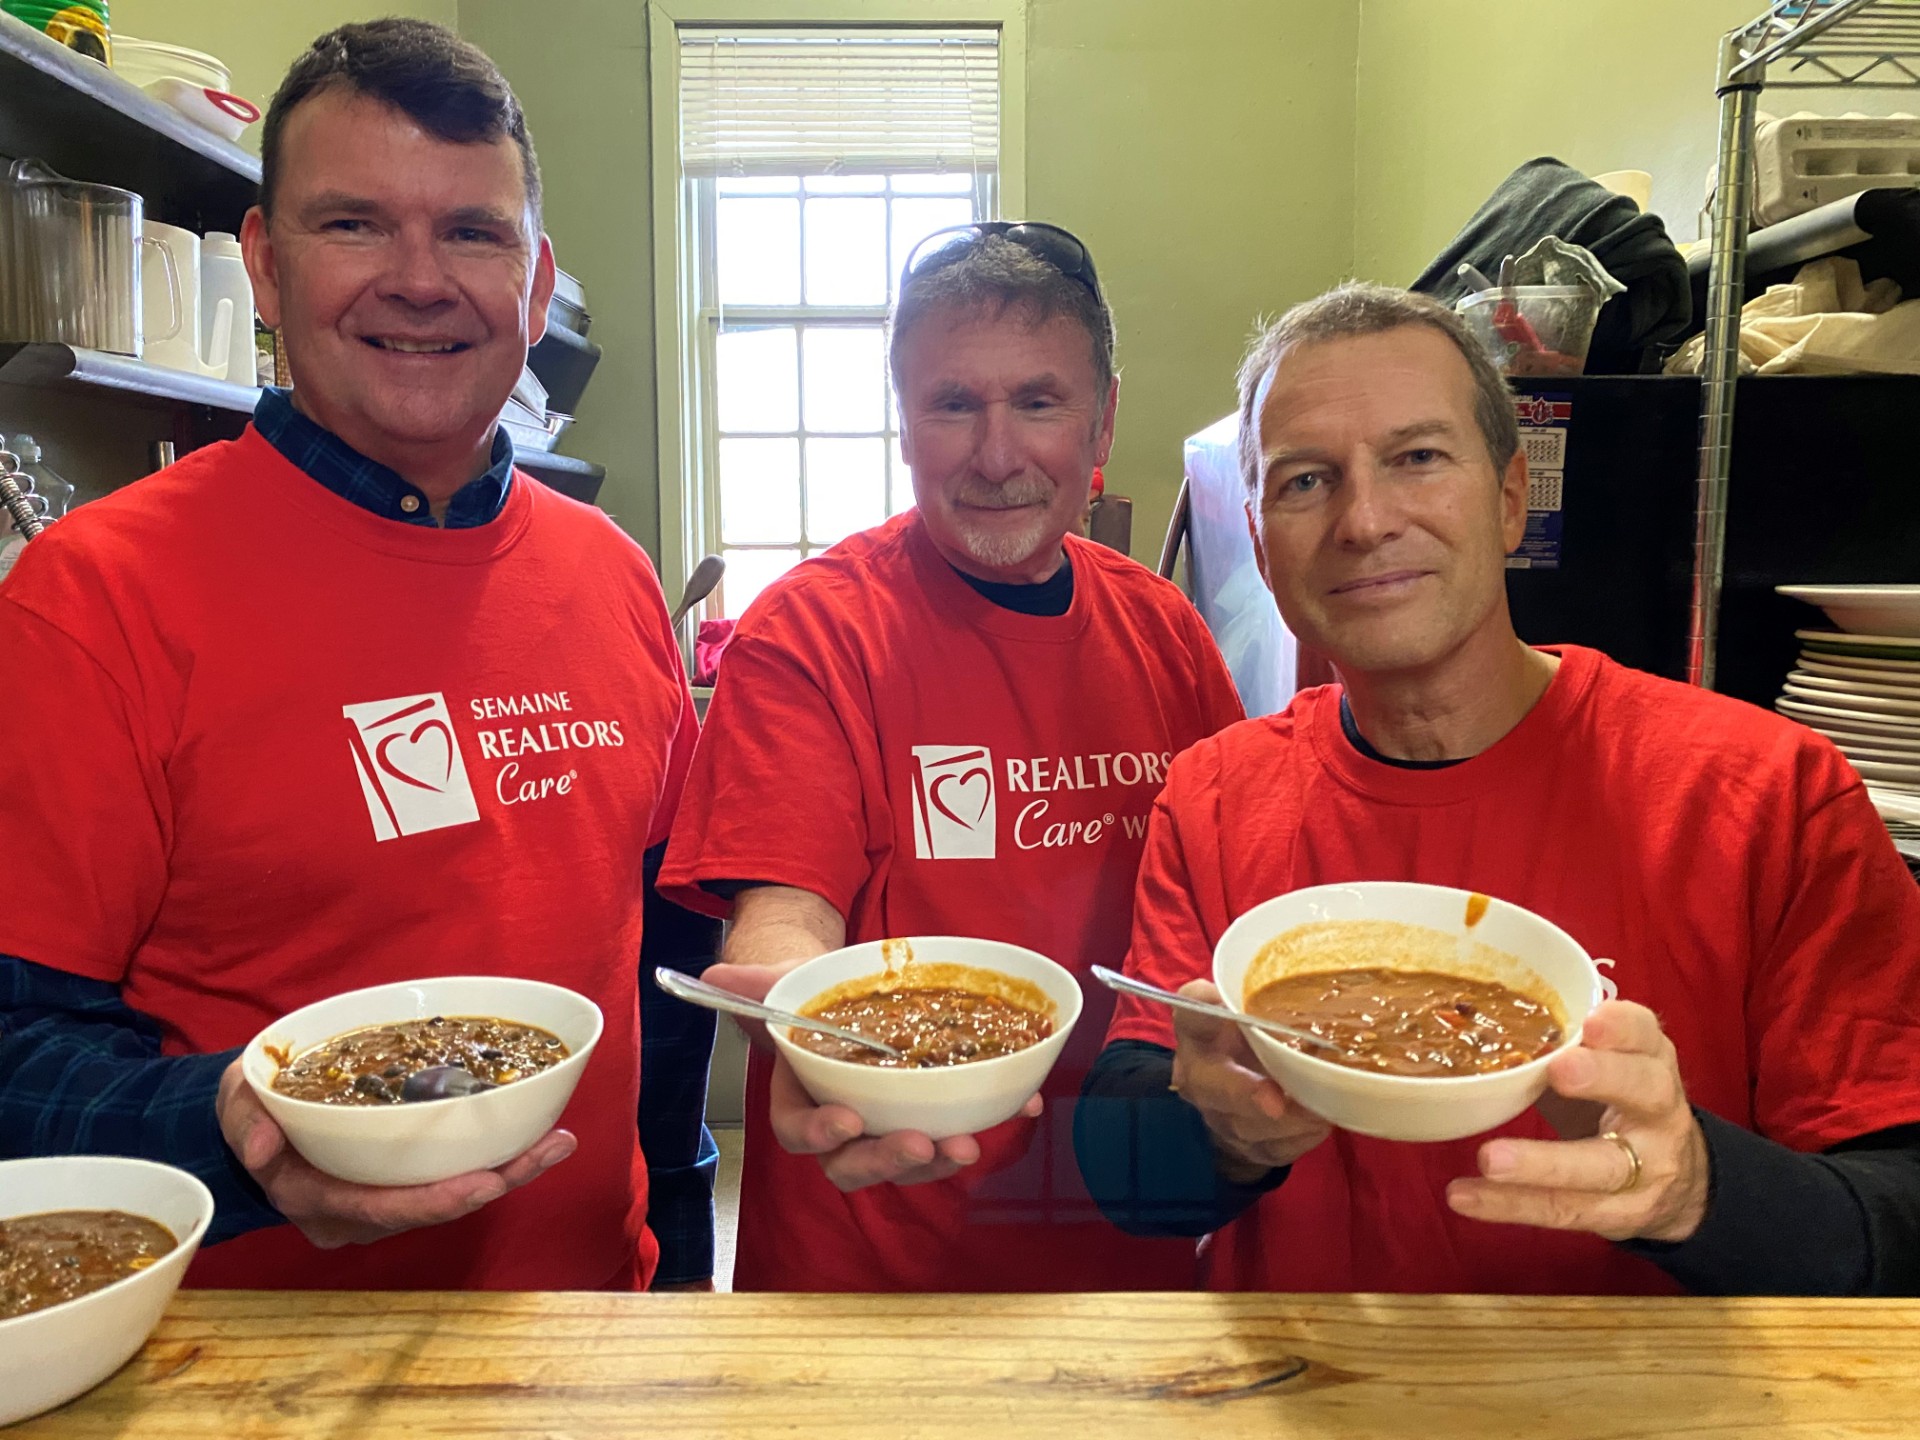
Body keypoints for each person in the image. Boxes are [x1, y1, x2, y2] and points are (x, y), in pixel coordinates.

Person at [0, 18, 720, 1293]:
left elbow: (654, 980)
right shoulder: (95, 598)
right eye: (354, 225)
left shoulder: (610, 572)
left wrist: (673, 1266)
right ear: (265, 269)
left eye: (472, 231)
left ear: (536, 284)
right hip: (252, 1376)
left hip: (592, 1341)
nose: (420, 278)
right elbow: (15, 1054)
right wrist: (241, 1140)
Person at [1078, 282, 1920, 1296]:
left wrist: (1698, 1189)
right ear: (1259, 542)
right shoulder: (1215, 795)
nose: (1365, 519)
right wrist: (1218, 1141)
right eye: (1305, 481)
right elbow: (1131, 1187)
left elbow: (1896, 1217)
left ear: (1513, 497)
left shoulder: (1771, 797)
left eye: (1417, 459)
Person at [659, 223, 1245, 1292]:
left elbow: (1222, 907)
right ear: (904, 424)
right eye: (951, 404)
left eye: (1037, 401)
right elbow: (787, 906)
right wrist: (800, 1019)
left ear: (1101, 418)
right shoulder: (812, 630)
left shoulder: (1168, 633)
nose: (997, 454)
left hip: (1128, 1250)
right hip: (876, 1243)